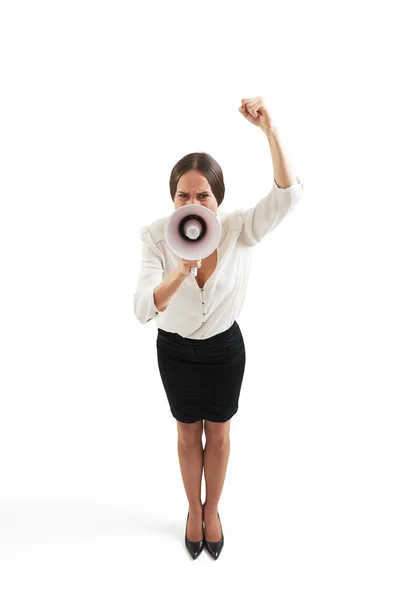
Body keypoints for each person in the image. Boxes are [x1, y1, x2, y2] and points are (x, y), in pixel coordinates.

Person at [133, 97, 304, 560]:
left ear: (218, 199)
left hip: (224, 350)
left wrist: (269, 129)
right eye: (183, 196)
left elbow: (287, 196)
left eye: (203, 194)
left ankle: (214, 511)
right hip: (175, 350)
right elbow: (143, 308)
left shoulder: (238, 229)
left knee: (221, 433)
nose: (194, 203)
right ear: (173, 200)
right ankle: (193, 510)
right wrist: (179, 271)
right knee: (188, 433)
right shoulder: (155, 237)